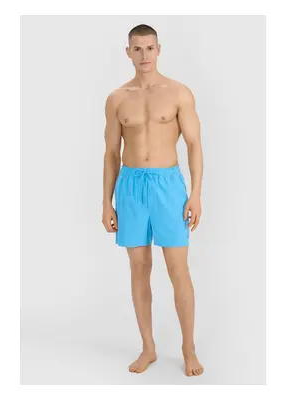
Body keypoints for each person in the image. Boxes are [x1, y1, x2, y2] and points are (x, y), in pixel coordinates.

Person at [102, 24, 204, 377]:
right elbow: (111, 154)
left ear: (159, 49)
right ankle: (148, 347)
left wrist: (196, 194)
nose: (144, 55)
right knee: (139, 267)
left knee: (178, 269)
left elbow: (194, 144)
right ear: (128, 52)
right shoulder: (117, 98)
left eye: (149, 48)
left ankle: (188, 348)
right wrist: (106, 202)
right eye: (137, 48)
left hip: (168, 186)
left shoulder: (178, 93)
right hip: (130, 187)